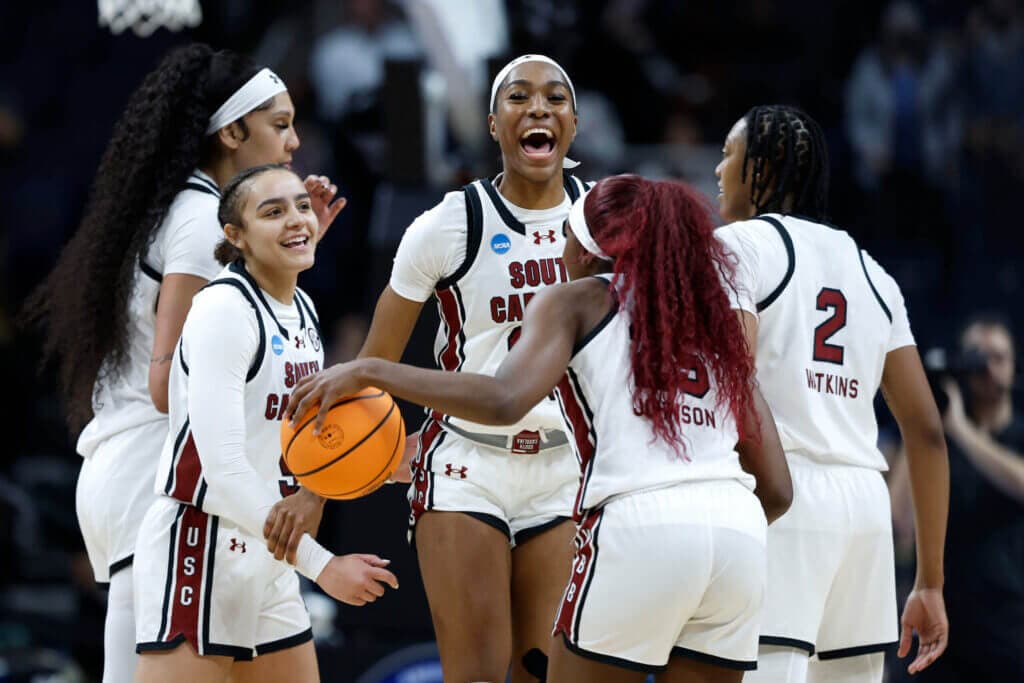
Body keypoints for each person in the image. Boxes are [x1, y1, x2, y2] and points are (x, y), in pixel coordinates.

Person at [285, 173, 793, 681]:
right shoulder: (711, 321)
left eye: (567, 236)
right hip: (737, 533)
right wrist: (707, 537)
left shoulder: (574, 299)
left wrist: (369, 369)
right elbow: (777, 487)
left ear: (590, 251)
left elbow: (504, 398)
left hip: (636, 519)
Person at [18, 43, 346, 682]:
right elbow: (172, 382)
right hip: (158, 475)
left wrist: (281, 264)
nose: (294, 141)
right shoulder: (202, 221)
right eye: (279, 124)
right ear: (231, 132)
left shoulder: (189, 208)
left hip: (132, 470)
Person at [275, 53, 588, 682]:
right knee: (475, 672)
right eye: (519, 97)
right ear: (495, 125)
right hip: (467, 464)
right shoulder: (448, 224)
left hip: (565, 467)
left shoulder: (605, 222)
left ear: (573, 125)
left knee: (543, 673)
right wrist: (317, 489)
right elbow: (374, 361)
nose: (537, 108)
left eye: (554, 98)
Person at [132, 164, 398, 682]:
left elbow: (303, 443)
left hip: (270, 550)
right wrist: (325, 566)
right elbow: (225, 472)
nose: (297, 218)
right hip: (202, 546)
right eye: (272, 212)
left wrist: (387, 460)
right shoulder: (224, 311)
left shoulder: (300, 307)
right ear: (235, 236)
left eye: (302, 206)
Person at [713, 103, 950, 683]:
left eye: (728, 155)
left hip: (778, 495)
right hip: (863, 511)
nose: (718, 170)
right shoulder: (874, 273)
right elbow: (926, 433)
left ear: (760, 170)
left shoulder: (739, 245)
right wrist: (930, 583)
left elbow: (733, 379)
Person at [912, 313, 1024, 681]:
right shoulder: (941, 436)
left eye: (997, 357)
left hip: (1010, 620)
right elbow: (900, 516)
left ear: (1013, 366)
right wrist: (922, 422)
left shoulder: (1014, 433)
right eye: (977, 357)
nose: (986, 368)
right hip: (944, 617)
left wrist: (959, 430)